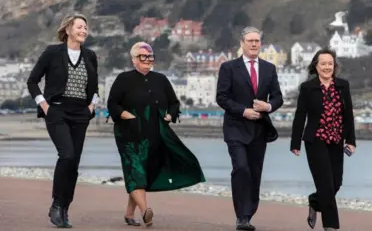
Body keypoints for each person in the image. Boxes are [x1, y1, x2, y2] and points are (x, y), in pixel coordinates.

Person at [107, 42, 206, 227]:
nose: (147, 60)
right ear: (134, 59)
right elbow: (112, 104)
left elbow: (174, 103)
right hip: (128, 135)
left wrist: (170, 115)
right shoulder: (123, 79)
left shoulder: (161, 79)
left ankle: (129, 213)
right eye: (143, 57)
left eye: (150, 57)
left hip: (153, 136)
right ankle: (146, 211)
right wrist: (127, 116)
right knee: (135, 170)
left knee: (140, 174)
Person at [26, 13, 99, 228]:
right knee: (66, 155)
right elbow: (32, 81)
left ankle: (65, 207)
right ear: (67, 30)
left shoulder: (91, 55)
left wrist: (91, 106)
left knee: (74, 164)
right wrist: (44, 105)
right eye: (79, 26)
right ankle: (57, 204)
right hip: (57, 111)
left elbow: (94, 87)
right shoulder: (52, 53)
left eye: (85, 27)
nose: (83, 30)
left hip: (80, 113)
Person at [216, 27, 283, 230]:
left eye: (257, 41)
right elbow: (222, 97)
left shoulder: (269, 68)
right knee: (241, 168)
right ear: (242, 43)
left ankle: (248, 214)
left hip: (259, 130)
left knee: (254, 173)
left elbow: (278, 97)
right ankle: (241, 216)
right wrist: (243, 111)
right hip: (236, 127)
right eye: (250, 41)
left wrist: (268, 107)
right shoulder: (228, 68)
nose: (254, 44)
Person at [290, 48, 356, 231]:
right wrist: (295, 143)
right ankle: (331, 227)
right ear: (316, 66)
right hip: (315, 140)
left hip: (336, 140)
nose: (327, 67)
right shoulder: (307, 88)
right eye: (323, 63)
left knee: (336, 183)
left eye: (330, 63)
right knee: (326, 184)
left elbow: (348, 114)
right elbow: (300, 115)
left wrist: (351, 140)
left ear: (334, 66)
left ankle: (314, 201)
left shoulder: (343, 86)